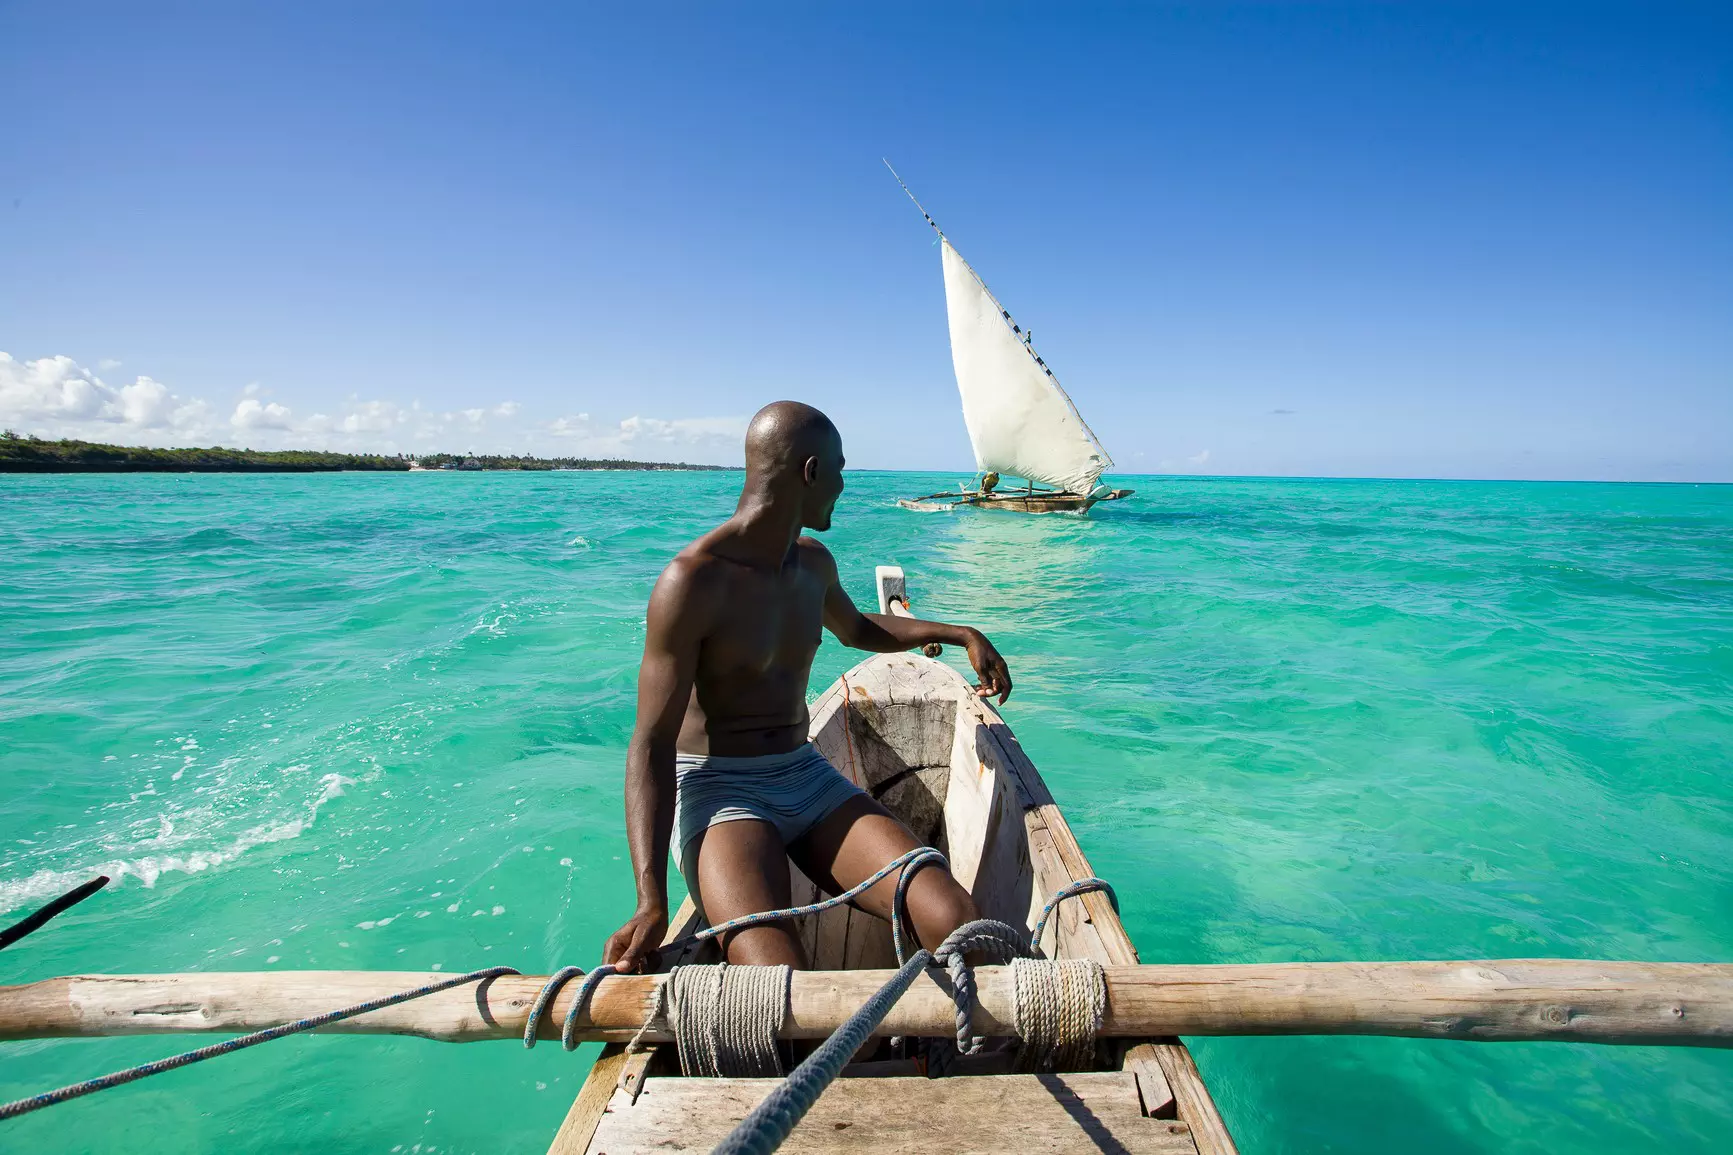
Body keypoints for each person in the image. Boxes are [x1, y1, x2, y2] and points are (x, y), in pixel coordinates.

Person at [602, 401, 1013, 973]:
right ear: (811, 471)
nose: (845, 484)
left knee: (953, 917)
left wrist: (959, 631)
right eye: (840, 469)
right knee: (774, 977)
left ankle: (939, 1043)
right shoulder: (692, 581)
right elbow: (650, 743)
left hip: (805, 774)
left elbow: (859, 628)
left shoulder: (813, 565)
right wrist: (650, 900)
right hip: (722, 793)